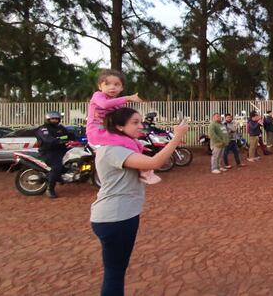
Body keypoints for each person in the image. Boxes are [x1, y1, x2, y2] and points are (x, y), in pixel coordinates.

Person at [91, 107, 188, 296]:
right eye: (134, 122)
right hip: (116, 218)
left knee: (116, 271)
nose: (140, 126)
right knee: (114, 273)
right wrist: (176, 137)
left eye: (140, 121)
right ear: (119, 126)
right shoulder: (114, 150)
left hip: (119, 216)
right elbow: (154, 163)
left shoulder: (122, 147)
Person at [86, 69, 159, 185]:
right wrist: (128, 98)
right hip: (97, 132)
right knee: (128, 142)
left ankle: (139, 165)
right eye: (107, 84)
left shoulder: (117, 103)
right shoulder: (98, 96)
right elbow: (104, 105)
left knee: (138, 143)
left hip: (110, 131)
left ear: (122, 88)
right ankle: (144, 171)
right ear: (100, 86)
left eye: (116, 84)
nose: (112, 87)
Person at [35, 111, 75, 199]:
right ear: (48, 119)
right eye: (52, 119)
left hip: (61, 150)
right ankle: (50, 189)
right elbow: (47, 139)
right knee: (56, 167)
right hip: (49, 151)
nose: (55, 120)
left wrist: (79, 137)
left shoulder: (60, 128)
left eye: (56, 119)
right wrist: (58, 141)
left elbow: (68, 135)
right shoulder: (43, 129)